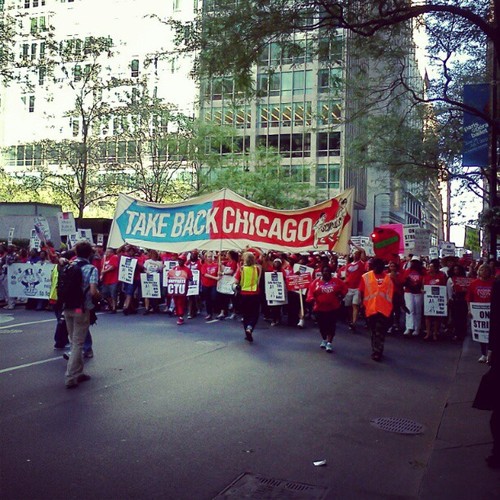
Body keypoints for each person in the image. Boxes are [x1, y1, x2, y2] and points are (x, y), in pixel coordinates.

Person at [61, 241, 99, 389]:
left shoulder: (68, 264)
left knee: (73, 340)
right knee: (78, 343)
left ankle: (79, 372)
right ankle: (70, 376)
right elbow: (93, 291)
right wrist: (99, 297)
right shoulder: (91, 269)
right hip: (81, 309)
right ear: (90, 253)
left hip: (67, 307)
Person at [359, 258, 394, 361]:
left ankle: (377, 351)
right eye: (375, 266)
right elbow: (361, 291)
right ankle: (376, 348)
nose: (377, 268)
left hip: (383, 309)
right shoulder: (366, 277)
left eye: (379, 266)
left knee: (379, 331)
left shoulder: (388, 278)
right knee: (374, 331)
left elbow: (392, 294)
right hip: (370, 309)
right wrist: (362, 304)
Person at [306, 264, 347, 353]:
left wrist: (341, 296)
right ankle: (324, 339)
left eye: (328, 272)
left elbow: (344, 288)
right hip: (320, 309)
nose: (327, 273)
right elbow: (310, 292)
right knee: (322, 326)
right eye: (325, 271)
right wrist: (311, 299)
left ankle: (329, 342)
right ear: (322, 273)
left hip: (333, 308)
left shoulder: (336, 281)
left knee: (331, 326)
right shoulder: (316, 282)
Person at [467, 264, 494, 363]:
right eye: (482, 269)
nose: (484, 272)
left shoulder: (494, 283)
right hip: (478, 312)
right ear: (479, 271)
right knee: (481, 332)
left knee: (492, 333)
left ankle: (491, 354)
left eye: (486, 270)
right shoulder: (474, 283)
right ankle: (483, 354)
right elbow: (469, 299)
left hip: (491, 311)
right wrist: (469, 310)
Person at [234, 251, 261, 342]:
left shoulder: (241, 269)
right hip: (255, 293)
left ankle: (247, 332)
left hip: (244, 294)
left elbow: (236, 282)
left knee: (246, 315)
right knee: (255, 314)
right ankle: (250, 327)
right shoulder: (256, 269)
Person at [422, 258, 448, 341]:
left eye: (432, 267)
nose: (430, 268)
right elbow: (422, 286)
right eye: (429, 267)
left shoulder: (442, 275)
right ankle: (428, 332)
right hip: (428, 299)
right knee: (427, 316)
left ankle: (435, 333)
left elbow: (444, 286)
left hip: (438, 299)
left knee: (437, 317)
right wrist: (422, 290)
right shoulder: (426, 275)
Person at [342, 246, 367, 331]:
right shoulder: (348, 265)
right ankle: (351, 320)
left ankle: (354, 322)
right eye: (355, 253)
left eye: (357, 253)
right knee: (348, 306)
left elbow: (363, 250)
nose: (356, 255)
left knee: (355, 305)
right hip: (349, 288)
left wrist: (352, 244)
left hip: (358, 288)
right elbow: (346, 276)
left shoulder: (362, 263)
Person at [166, 254, 193, 325]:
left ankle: (180, 316)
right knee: (175, 301)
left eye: (181, 260)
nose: (179, 261)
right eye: (179, 260)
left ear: (184, 261)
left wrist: (186, 279)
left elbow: (191, 278)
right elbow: (169, 275)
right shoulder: (175, 268)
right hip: (175, 288)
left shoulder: (187, 269)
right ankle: (179, 314)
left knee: (180, 302)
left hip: (183, 289)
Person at [402, 255, 425, 337]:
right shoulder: (407, 271)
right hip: (409, 292)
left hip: (419, 293)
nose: (414, 264)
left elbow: (424, 281)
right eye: (413, 262)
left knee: (418, 310)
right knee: (409, 309)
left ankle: (416, 328)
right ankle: (409, 327)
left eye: (416, 262)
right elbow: (404, 281)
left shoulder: (423, 271)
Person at [199, 251, 219, 320]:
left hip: (213, 284)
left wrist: (220, 270)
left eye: (211, 256)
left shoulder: (216, 265)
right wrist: (215, 278)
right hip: (206, 284)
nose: (210, 258)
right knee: (208, 299)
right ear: (206, 258)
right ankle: (209, 313)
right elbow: (205, 274)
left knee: (214, 297)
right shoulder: (204, 265)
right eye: (209, 256)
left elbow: (220, 272)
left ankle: (214, 310)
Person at [100, 247, 119, 313]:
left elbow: (113, 267)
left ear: (111, 252)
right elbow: (102, 267)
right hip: (105, 280)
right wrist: (101, 275)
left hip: (113, 279)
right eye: (106, 252)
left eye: (108, 252)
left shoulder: (114, 257)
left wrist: (104, 271)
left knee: (113, 293)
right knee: (105, 293)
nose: (107, 253)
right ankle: (111, 304)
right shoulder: (104, 259)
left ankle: (114, 307)